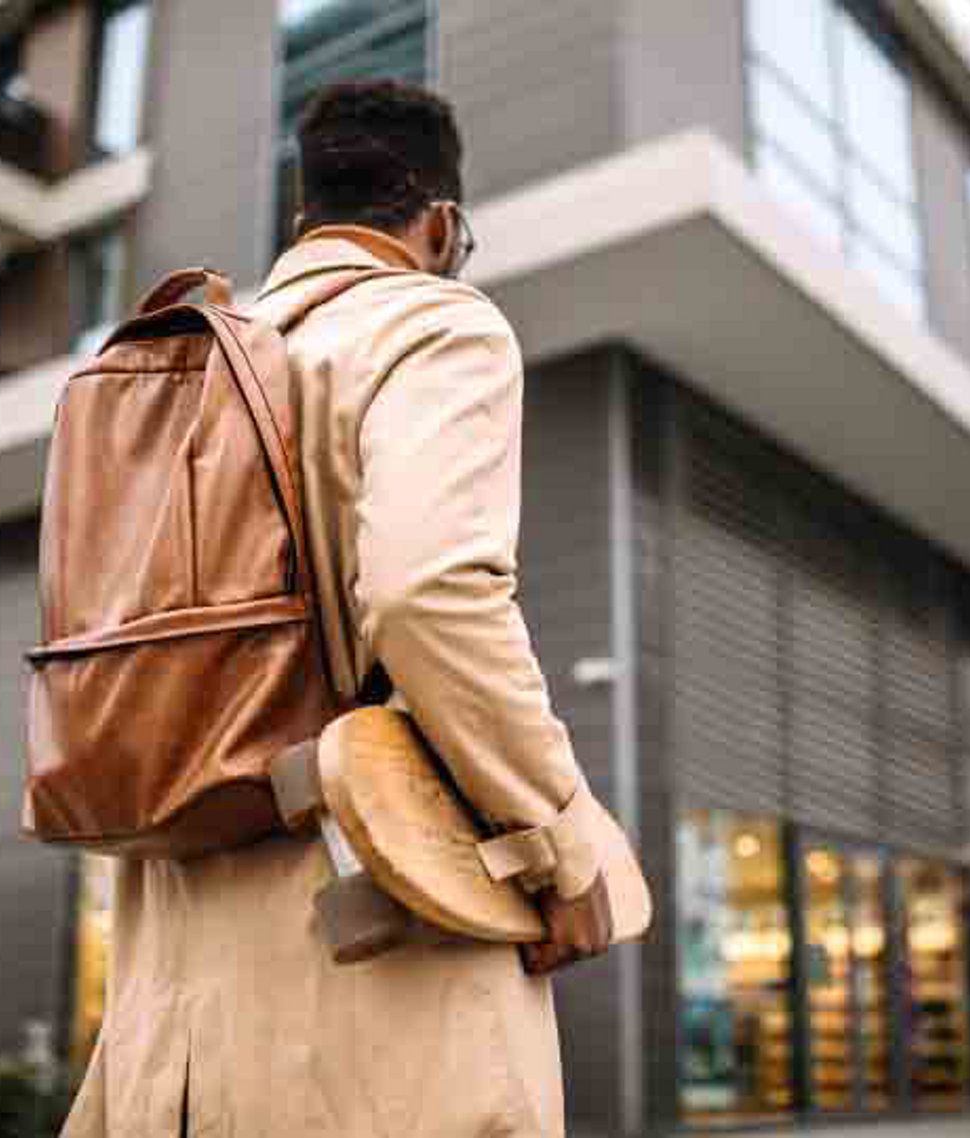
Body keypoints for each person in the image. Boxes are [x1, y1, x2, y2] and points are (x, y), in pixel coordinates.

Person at [59, 80, 610, 1138]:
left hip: (168, 1007)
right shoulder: (433, 323)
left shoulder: (188, 364)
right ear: (442, 225)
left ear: (304, 218)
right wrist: (558, 843)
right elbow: (429, 591)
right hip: (374, 962)